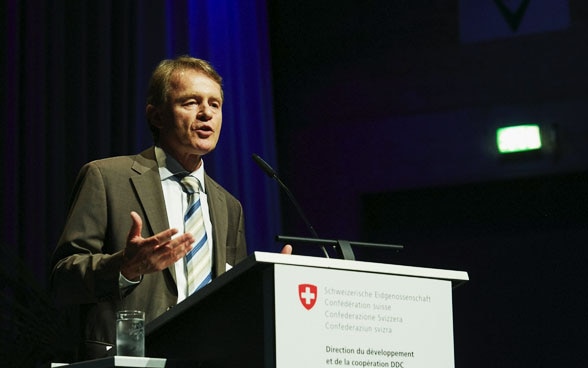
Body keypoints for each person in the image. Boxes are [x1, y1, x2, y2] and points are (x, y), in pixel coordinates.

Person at [50, 55, 291, 362]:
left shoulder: (229, 206)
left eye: (215, 104)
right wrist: (125, 267)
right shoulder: (107, 178)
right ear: (157, 115)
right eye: (190, 102)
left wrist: (265, 285)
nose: (206, 113)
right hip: (130, 360)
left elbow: (230, 300)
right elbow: (62, 280)